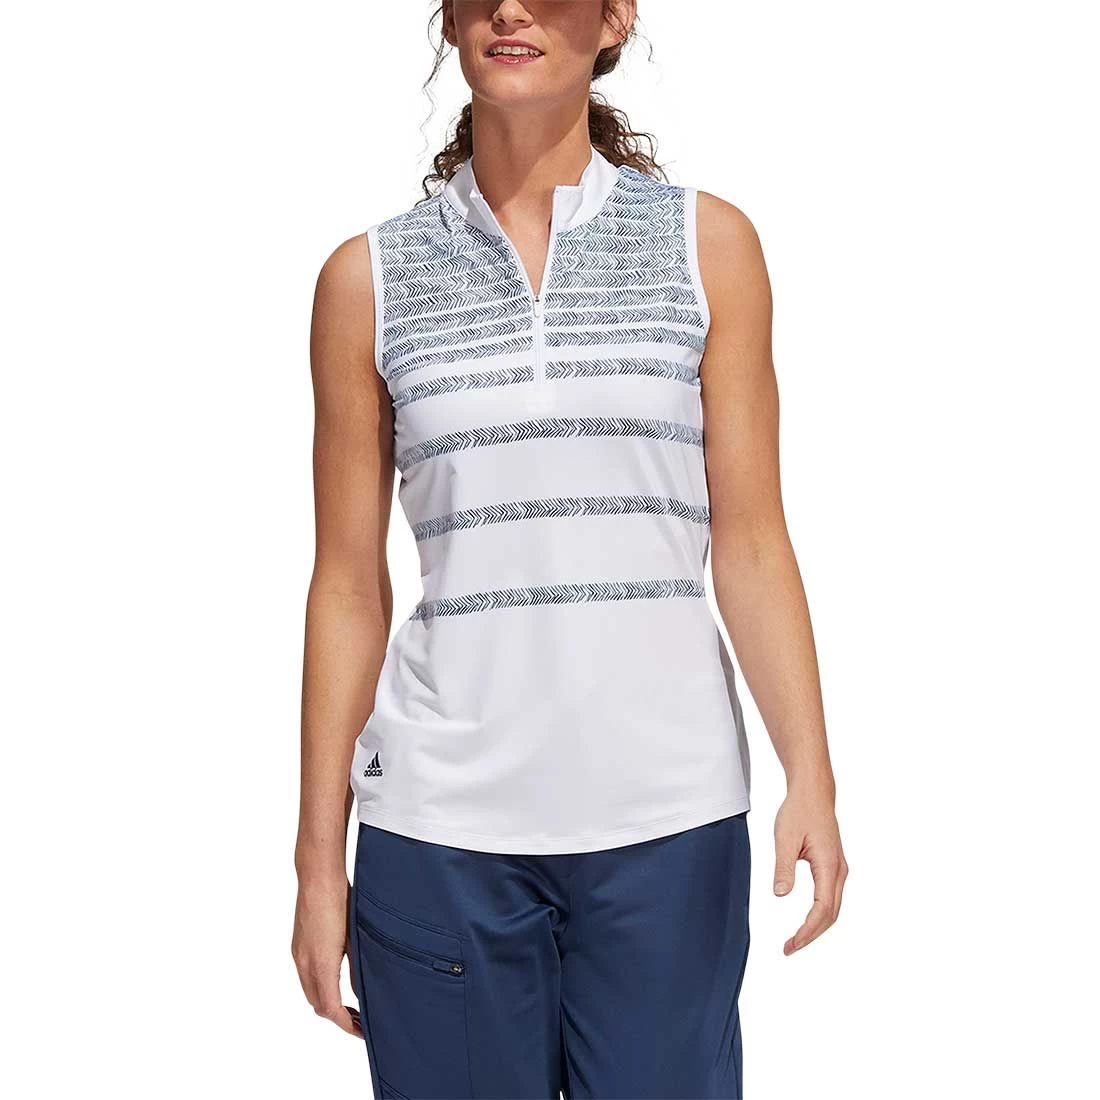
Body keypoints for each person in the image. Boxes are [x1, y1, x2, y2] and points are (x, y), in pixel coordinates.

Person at [292, 2, 847, 1096]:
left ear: (612, 16)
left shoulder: (709, 248)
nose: (510, 9)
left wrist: (811, 775)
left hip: (668, 821)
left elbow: (751, 539)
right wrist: (316, 858)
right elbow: (347, 584)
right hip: (436, 831)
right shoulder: (367, 281)